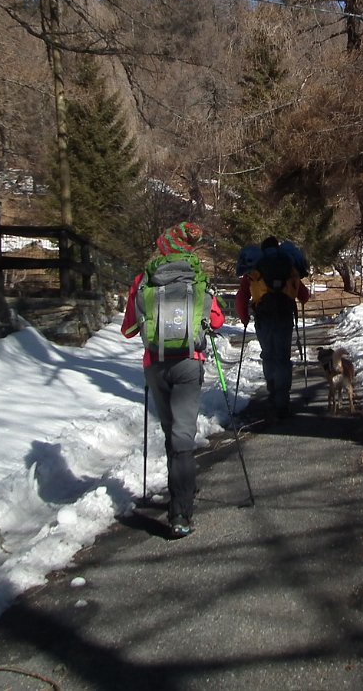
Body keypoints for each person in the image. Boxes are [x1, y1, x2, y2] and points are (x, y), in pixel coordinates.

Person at [121, 221, 224, 538]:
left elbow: (128, 330)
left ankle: (180, 490)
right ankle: (180, 511)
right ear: (189, 251)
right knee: (183, 437)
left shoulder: (144, 280)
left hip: (156, 365)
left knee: (171, 434)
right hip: (189, 364)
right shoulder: (198, 279)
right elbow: (217, 322)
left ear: (162, 248)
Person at [235, 235, 309, 419]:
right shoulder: (289, 265)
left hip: (263, 318)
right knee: (283, 358)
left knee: (268, 355)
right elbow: (304, 295)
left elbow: (241, 297)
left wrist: (244, 318)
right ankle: (282, 401)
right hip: (284, 317)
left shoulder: (255, 268)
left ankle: (272, 391)